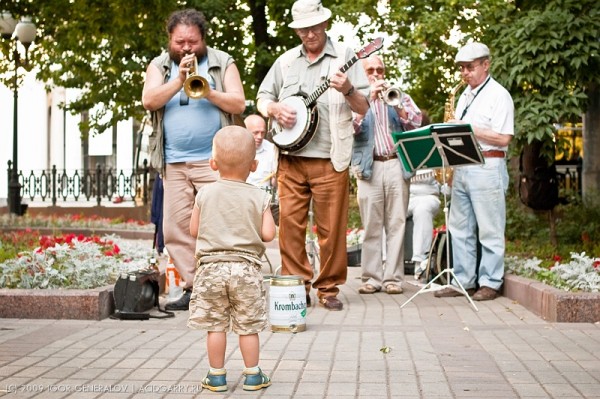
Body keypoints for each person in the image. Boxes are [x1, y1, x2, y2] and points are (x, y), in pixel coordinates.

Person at [256, 0, 370, 311]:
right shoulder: (285, 62)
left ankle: (329, 289)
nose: (309, 34)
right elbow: (262, 97)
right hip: (291, 159)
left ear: (324, 24)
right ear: (297, 30)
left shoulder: (346, 57)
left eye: (314, 27)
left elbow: (363, 106)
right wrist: (274, 108)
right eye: (303, 29)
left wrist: (347, 89)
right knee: (290, 227)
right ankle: (296, 287)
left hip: (330, 159)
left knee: (331, 229)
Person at [141, 9, 245, 311]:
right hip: (173, 162)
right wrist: (180, 80)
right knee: (174, 230)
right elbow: (149, 100)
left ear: (203, 39)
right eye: (180, 42)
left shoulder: (222, 62)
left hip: (216, 161)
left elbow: (238, 102)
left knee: (222, 226)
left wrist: (208, 90)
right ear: (170, 40)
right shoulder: (159, 66)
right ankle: (196, 288)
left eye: (192, 42)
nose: (186, 48)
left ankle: (229, 287)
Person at [188, 126, 276, 392]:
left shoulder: (204, 193)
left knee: (215, 325)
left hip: (211, 270)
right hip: (245, 270)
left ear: (213, 164)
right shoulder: (259, 196)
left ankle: (216, 376)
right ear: (254, 165)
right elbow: (268, 234)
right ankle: (252, 376)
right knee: (247, 326)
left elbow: (194, 230)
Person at [434, 42, 514, 301]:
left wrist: (466, 126)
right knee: (460, 228)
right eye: (462, 69)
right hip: (464, 166)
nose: (465, 73)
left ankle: (490, 282)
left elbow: (503, 138)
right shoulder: (465, 96)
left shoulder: (499, 95)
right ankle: (463, 281)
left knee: (489, 228)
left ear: (485, 65)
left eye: (470, 68)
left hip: (488, 165)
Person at [351, 54, 423, 295]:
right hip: (369, 166)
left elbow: (416, 123)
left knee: (397, 224)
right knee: (371, 225)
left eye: (380, 70)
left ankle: (393, 278)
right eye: (370, 70)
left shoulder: (398, 94)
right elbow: (348, 128)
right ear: (362, 74)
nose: (376, 74)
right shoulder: (353, 98)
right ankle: (371, 277)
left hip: (395, 164)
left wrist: (399, 107)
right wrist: (366, 102)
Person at [407, 169, 441, 276]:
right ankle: (386, 261)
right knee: (388, 213)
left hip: (428, 195)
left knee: (422, 210)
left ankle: (421, 262)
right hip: (403, 194)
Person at [245, 115, 276, 189]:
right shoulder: (235, 148)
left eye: (262, 133)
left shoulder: (272, 149)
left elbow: (275, 184)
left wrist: (276, 179)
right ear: (245, 131)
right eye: (256, 133)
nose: (260, 137)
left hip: (264, 194)